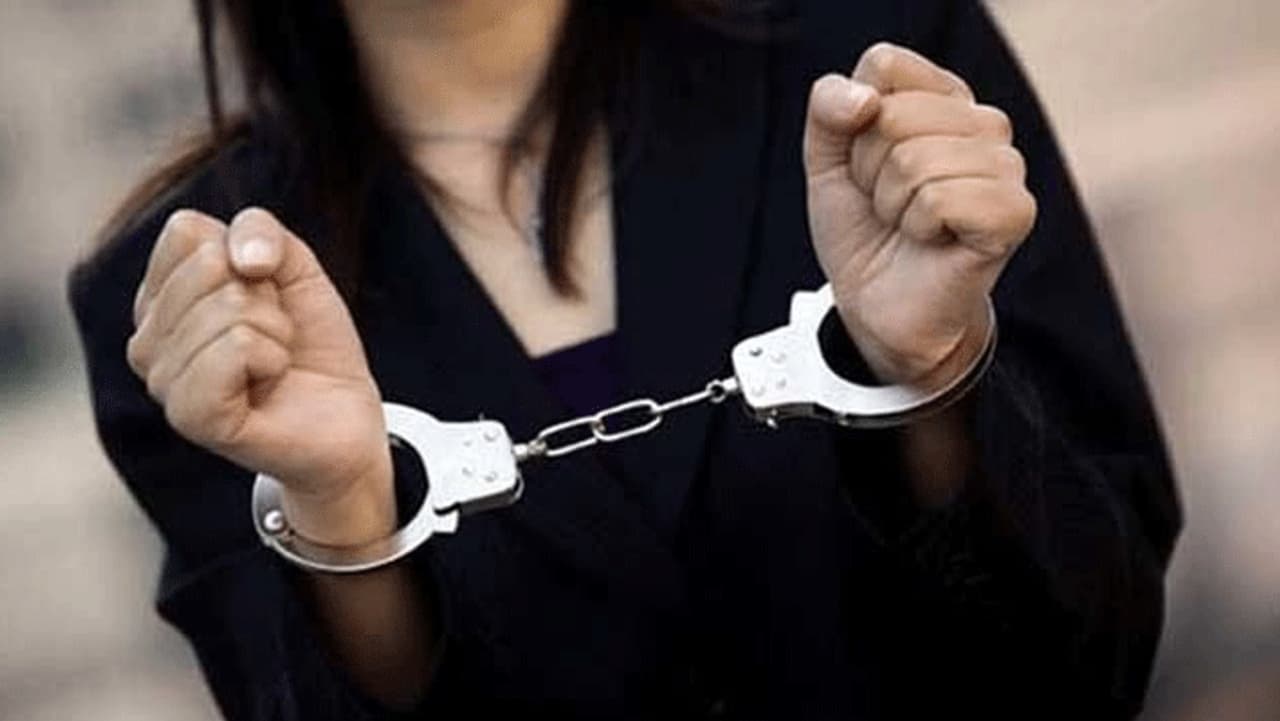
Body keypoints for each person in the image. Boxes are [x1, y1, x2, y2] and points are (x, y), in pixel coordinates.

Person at [68, 0, 1182, 718]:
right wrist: (343, 515)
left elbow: (1093, 663)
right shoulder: (199, 302)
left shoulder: (885, 80)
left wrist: (925, 374)